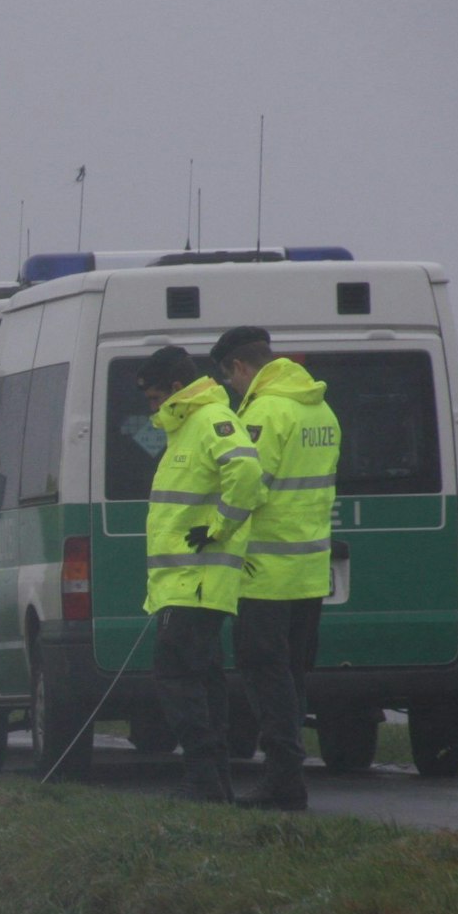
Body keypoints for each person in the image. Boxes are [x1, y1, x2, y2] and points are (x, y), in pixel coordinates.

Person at [212, 326, 340, 811]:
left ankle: (283, 778)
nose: (232, 389)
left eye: (230, 379)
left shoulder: (265, 411)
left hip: (265, 572)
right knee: (291, 676)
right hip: (309, 571)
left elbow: (249, 484)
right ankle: (288, 774)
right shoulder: (320, 408)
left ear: (240, 367)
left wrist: (217, 529)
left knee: (266, 676)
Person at [138, 346, 264, 802]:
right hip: (184, 583)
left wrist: (219, 528)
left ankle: (203, 777)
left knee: (178, 678)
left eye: (156, 398)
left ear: (177, 388)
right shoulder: (185, 427)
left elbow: (246, 471)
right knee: (202, 679)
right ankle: (214, 779)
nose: (152, 407)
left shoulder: (210, 419)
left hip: (196, 581)